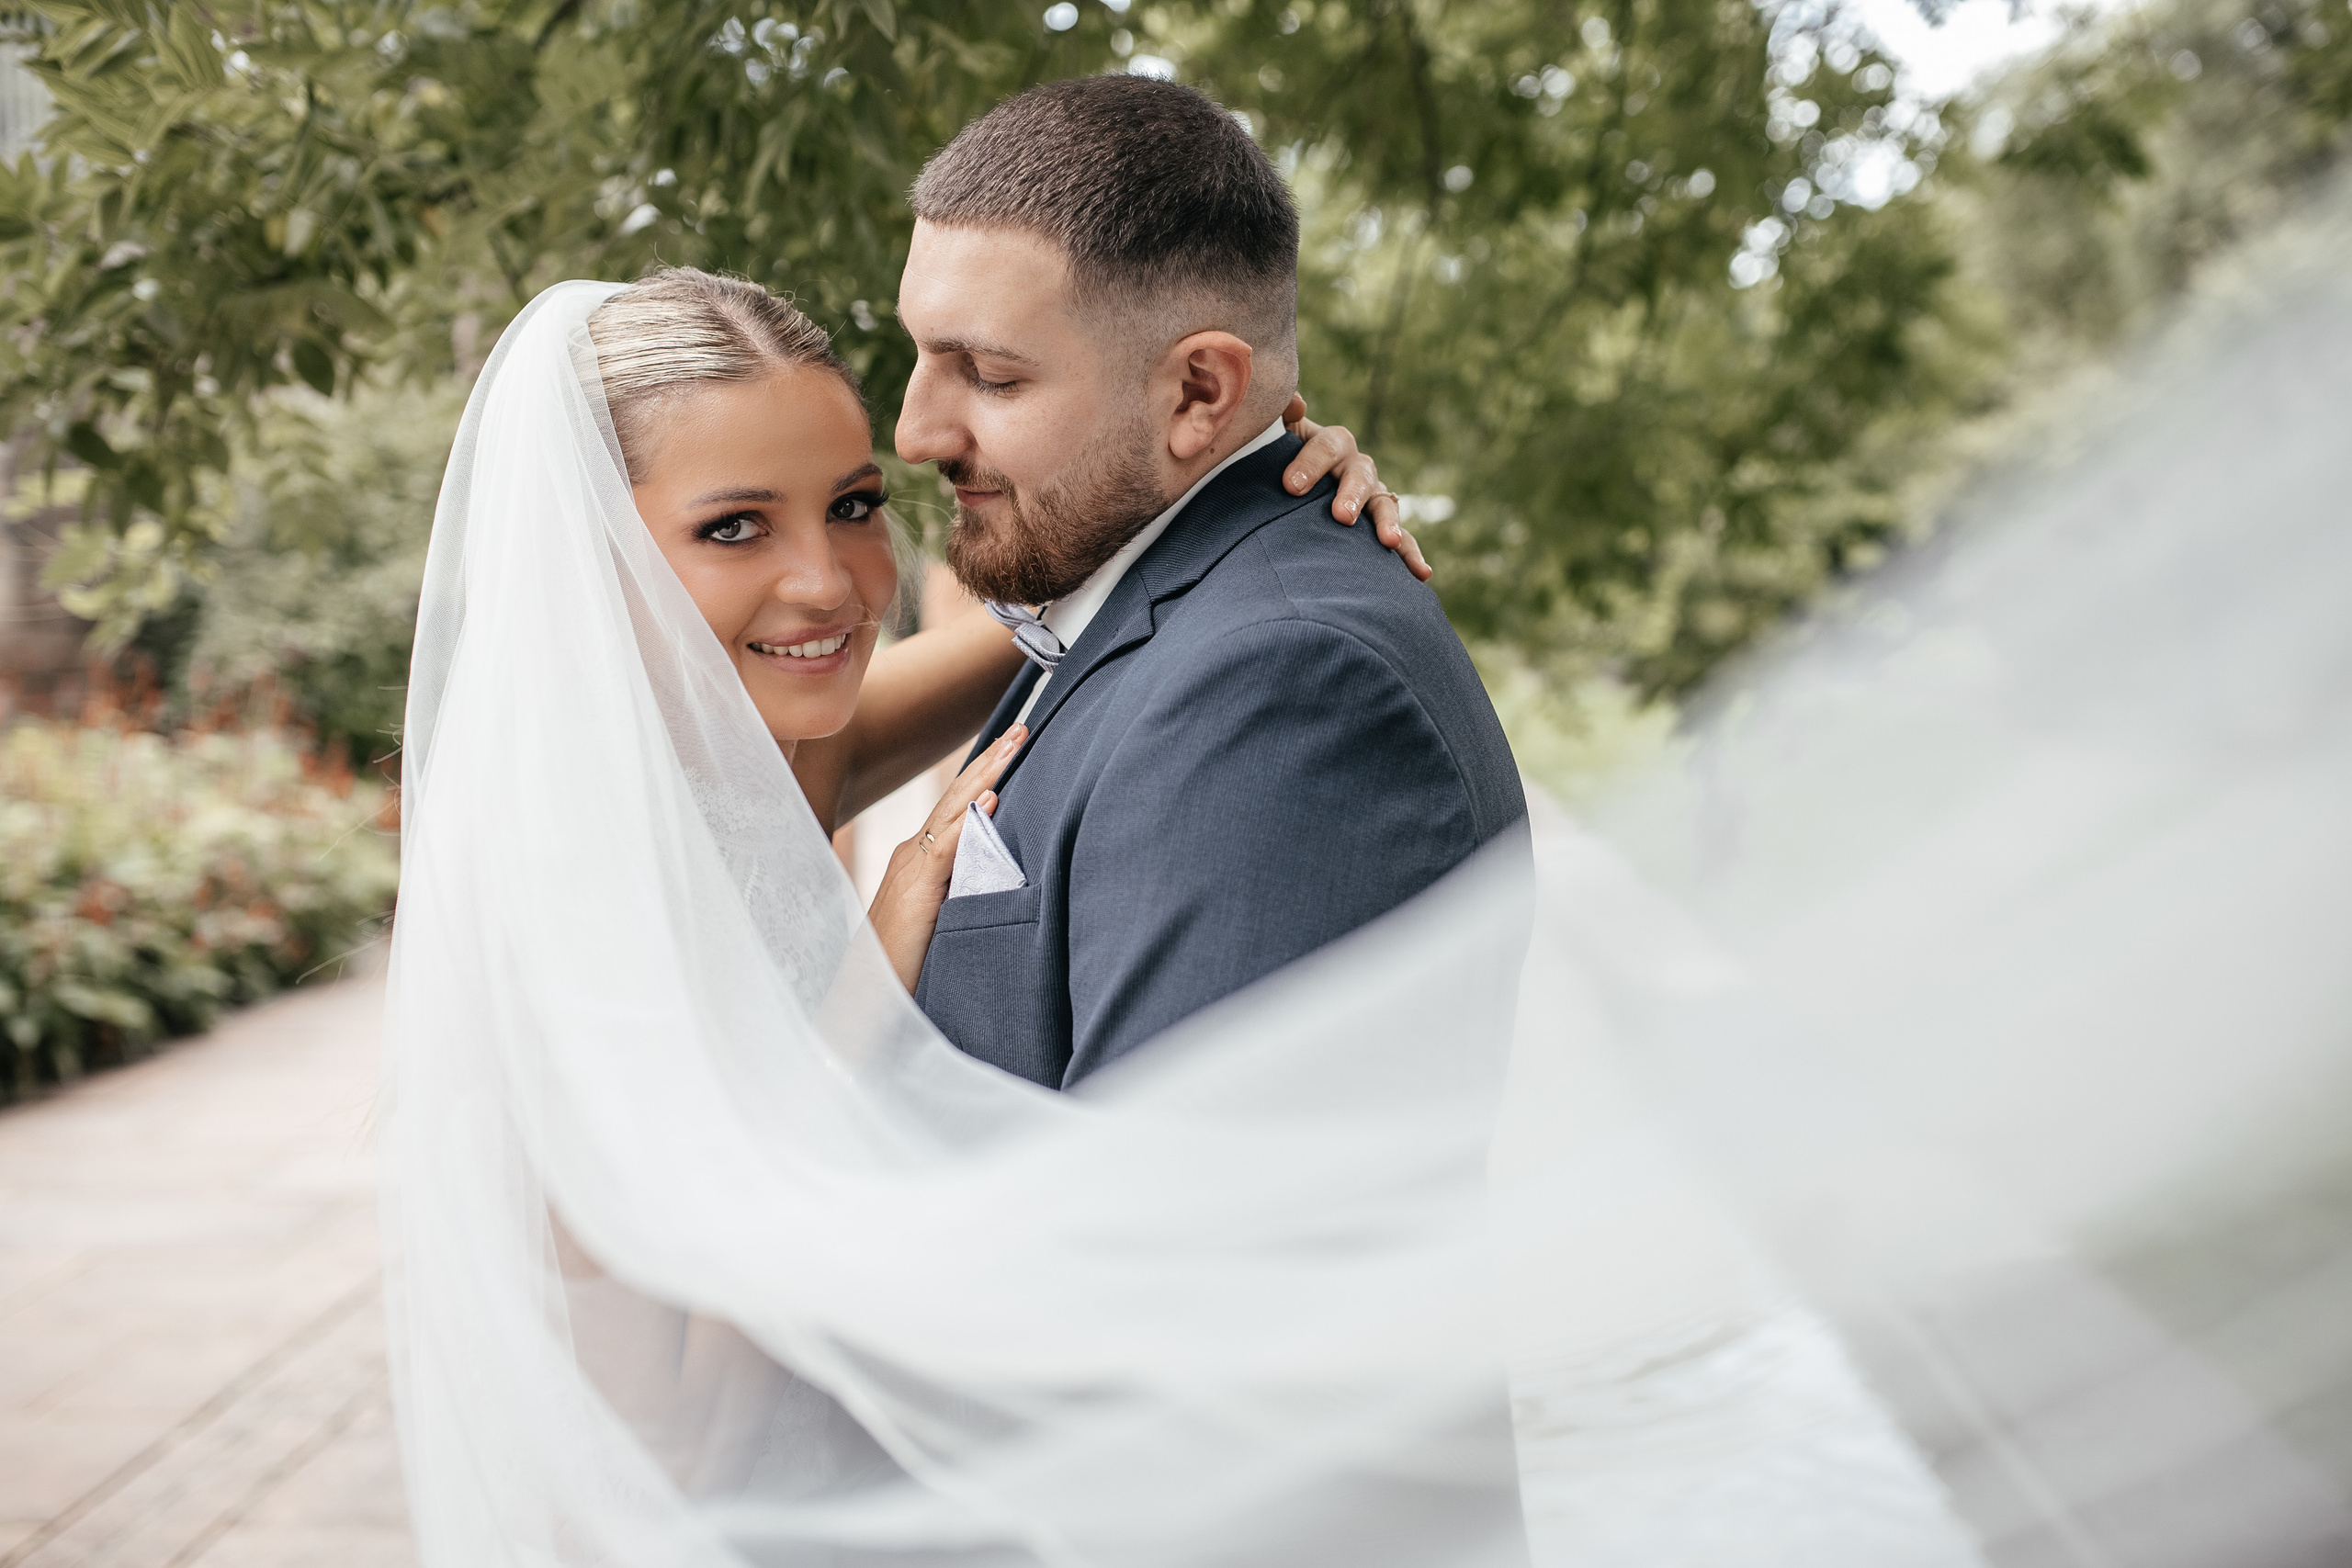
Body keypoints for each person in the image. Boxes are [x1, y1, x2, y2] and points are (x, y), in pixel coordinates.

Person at [884, 79, 1529, 1088]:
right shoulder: (1145, 608)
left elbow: (1170, 1237)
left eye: (993, 376)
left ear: (1198, 392)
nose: (913, 433)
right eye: (919, 354)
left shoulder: (1284, 685)